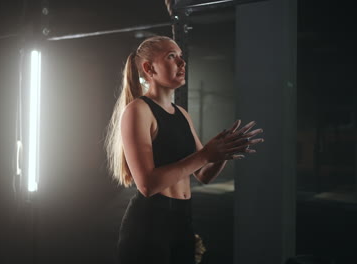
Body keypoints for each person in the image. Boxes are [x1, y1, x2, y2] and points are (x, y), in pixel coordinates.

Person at [105, 35, 264, 264]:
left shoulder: (182, 114)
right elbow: (148, 184)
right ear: (149, 68)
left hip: (182, 220)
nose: (182, 63)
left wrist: (222, 152)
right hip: (150, 223)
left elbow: (204, 174)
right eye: (171, 57)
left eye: (181, 56)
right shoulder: (138, 110)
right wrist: (206, 154)